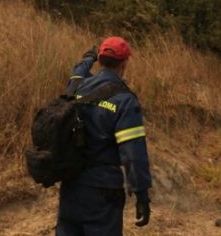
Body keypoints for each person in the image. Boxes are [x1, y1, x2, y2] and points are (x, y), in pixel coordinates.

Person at [56, 36, 152, 235]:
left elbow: (76, 74)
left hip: (71, 185)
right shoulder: (125, 101)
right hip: (103, 191)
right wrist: (141, 194)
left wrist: (86, 60)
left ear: (99, 59)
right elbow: (133, 153)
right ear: (124, 63)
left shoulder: (78, 88)